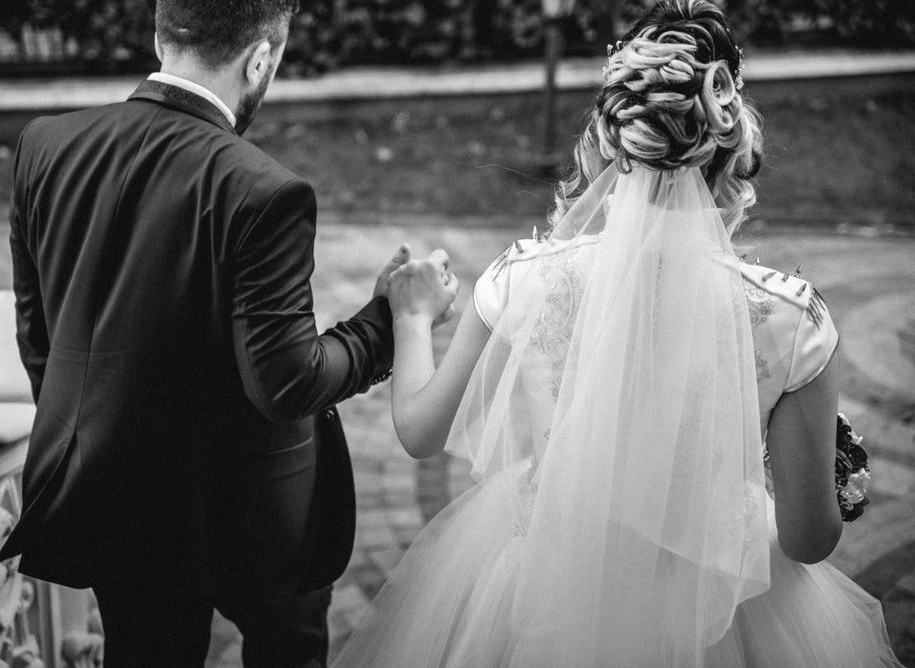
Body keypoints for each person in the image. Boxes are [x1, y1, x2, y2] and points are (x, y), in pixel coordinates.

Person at [334, 1, 903, 665]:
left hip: (548, 576)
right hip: (722, 605)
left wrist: (409, 314)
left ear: (611, 137)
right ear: (729, 136)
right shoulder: (792, 320)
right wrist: (819, 467)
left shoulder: (525, 277)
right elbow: (809, 540)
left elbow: (419, 431)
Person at [0, 1, 457, 666]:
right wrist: (389, 318)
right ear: (261, 58)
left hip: (117, 497)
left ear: (161, 35)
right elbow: (288, 381)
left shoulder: (45, 145)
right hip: (255, 513)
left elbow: (38, 337)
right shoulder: (264, 192)